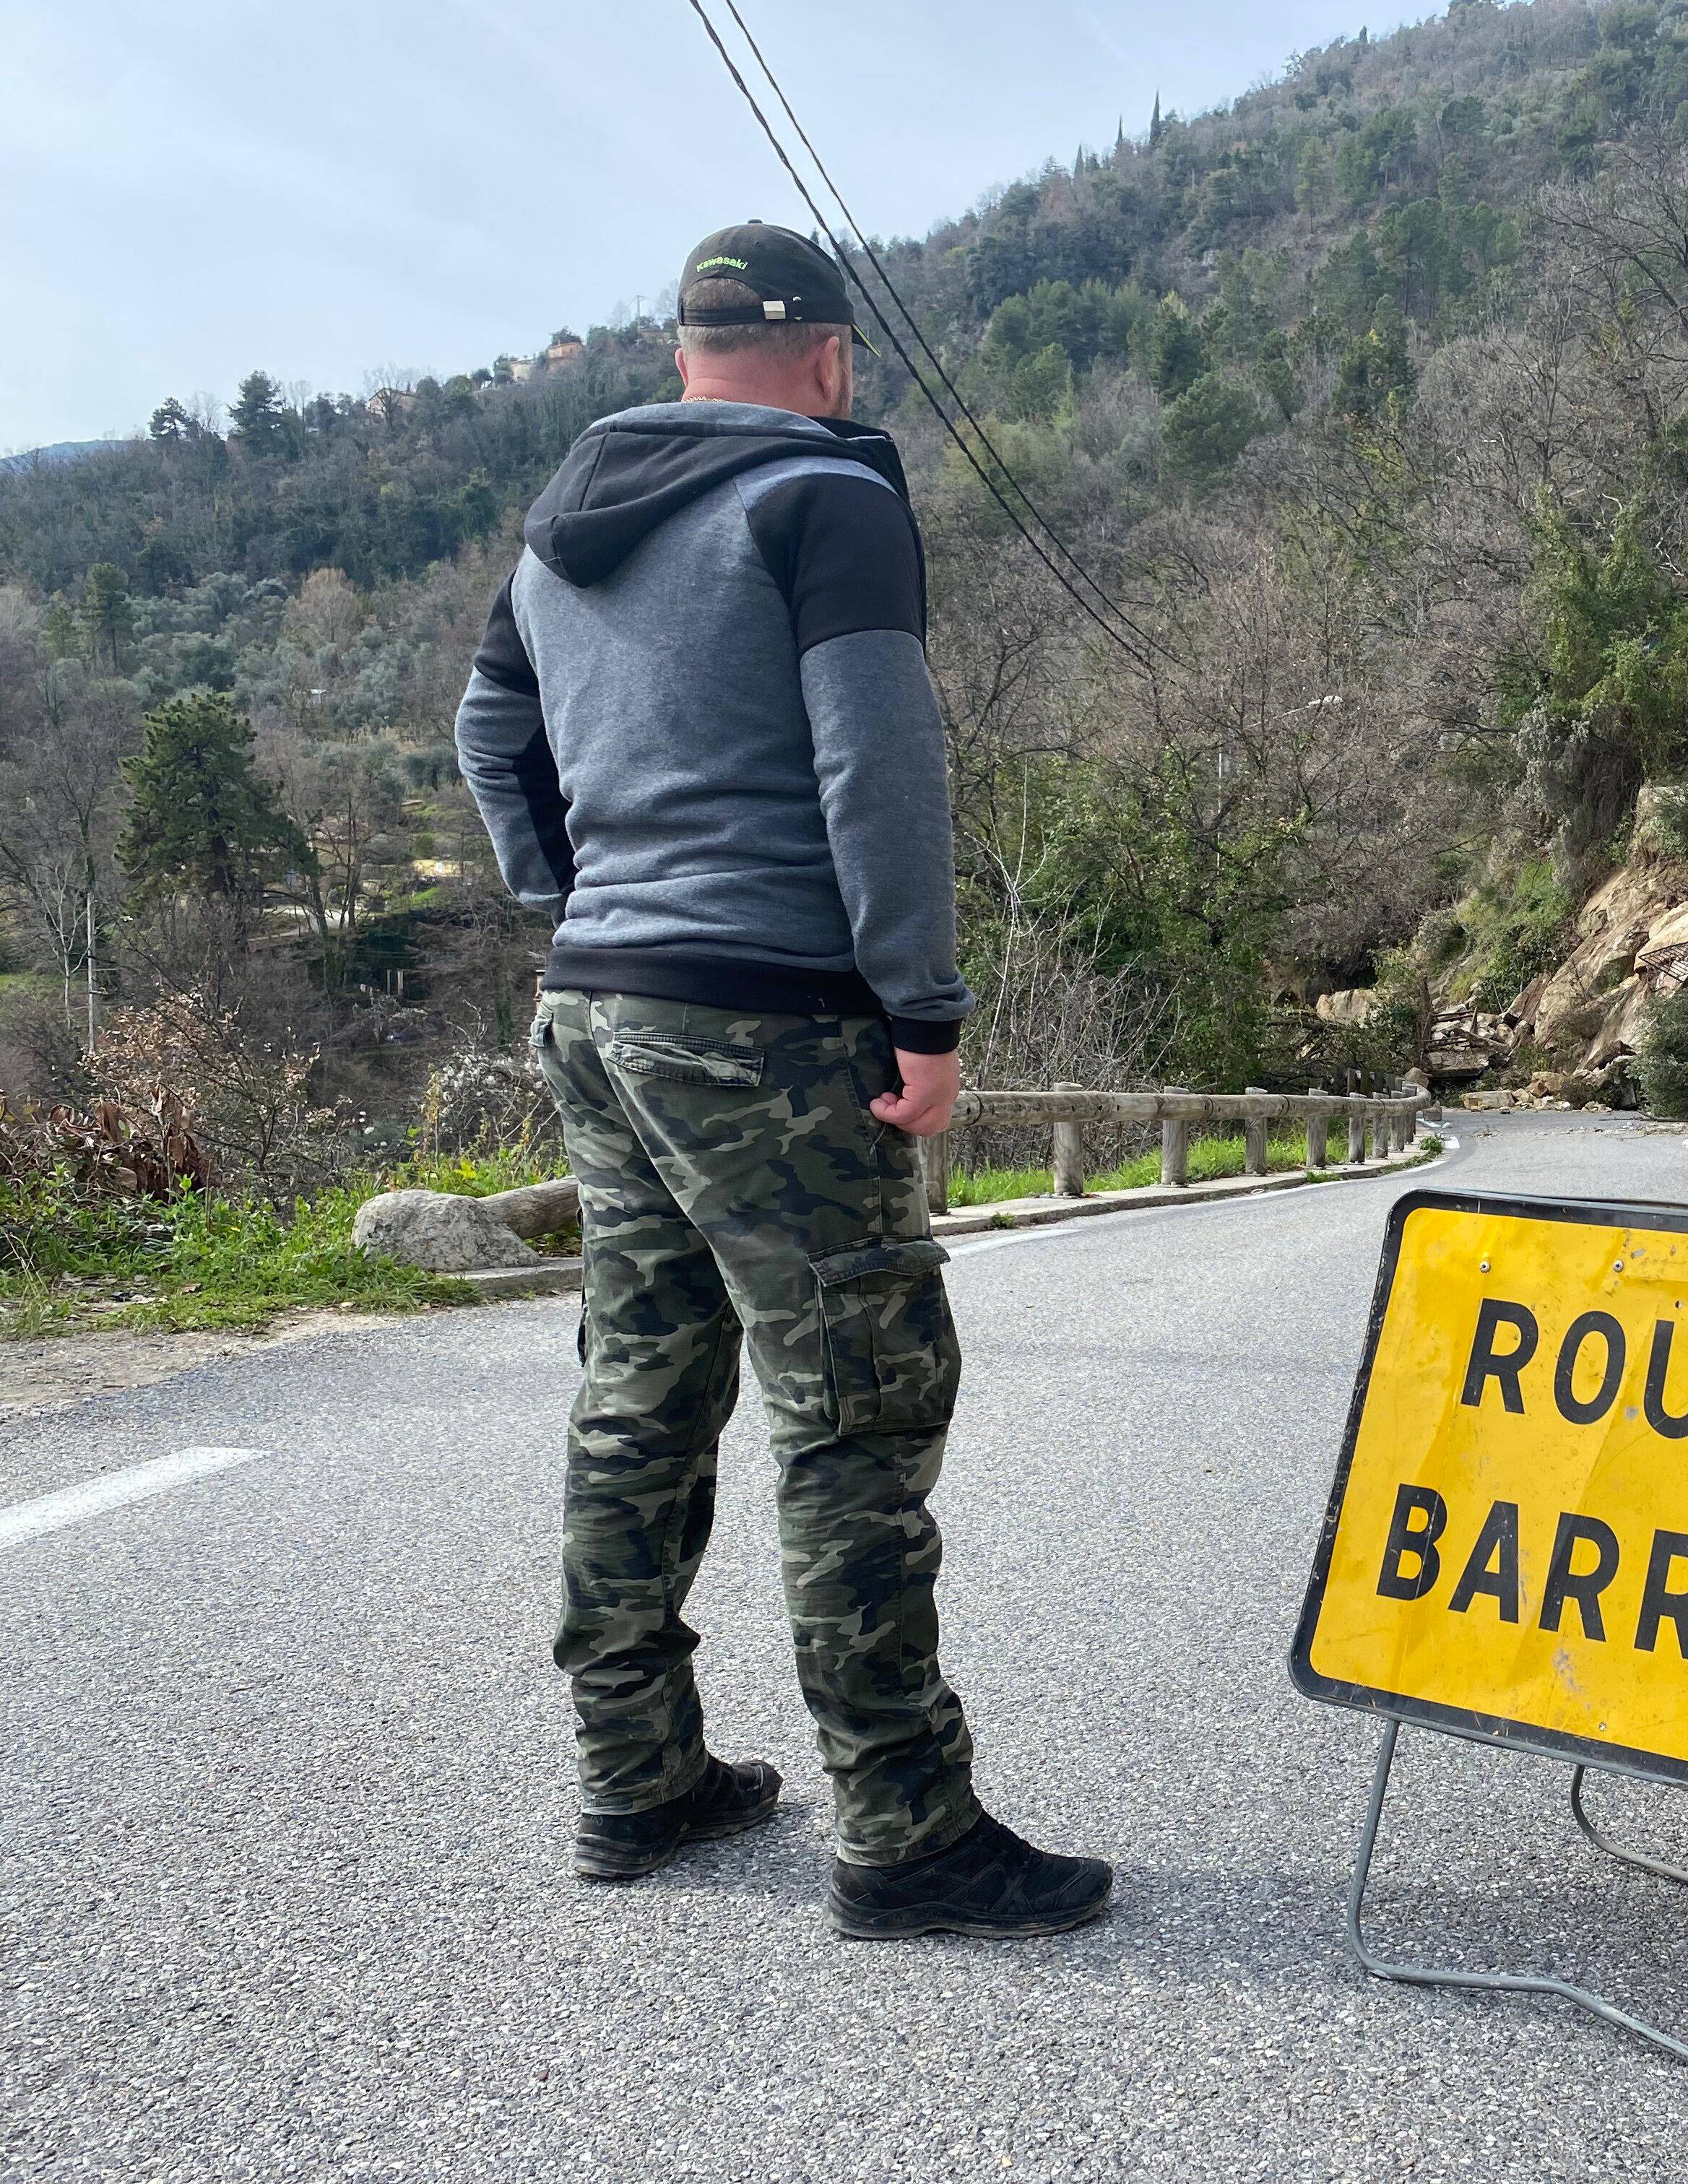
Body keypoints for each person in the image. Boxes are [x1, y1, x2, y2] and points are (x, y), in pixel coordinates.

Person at [454, 222, 1110, 1939]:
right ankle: (903, 1826)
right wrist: (925, 1005)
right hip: (773, 1016)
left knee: (643, 1389)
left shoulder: (561, 533)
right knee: (853, 1408)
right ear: (827, 356)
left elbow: (484, 728)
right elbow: (877, 762)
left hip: (599, 1006)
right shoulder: (828, 497)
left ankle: (636, 1777)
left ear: (684, 354)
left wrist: (570, 888)